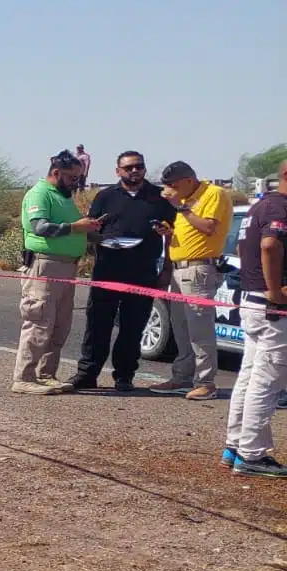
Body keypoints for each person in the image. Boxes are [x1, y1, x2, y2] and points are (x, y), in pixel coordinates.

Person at [69, 151, 176, 392]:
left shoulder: (159, 198)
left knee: (133, 325)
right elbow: (89, 230)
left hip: (143, 272)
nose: (134, 171)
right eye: (128, 168)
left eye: (138, 166)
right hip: (107, 270)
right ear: (118, 171)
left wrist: (167, 269)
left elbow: (172, 236)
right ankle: (87, 373)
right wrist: (103, 237)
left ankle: (125, 376)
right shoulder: (105, 197)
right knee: (97, 323)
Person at [13, 150, 102, 395]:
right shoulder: (40, 194)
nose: (77, 183)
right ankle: (24, 377)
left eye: (79, 178)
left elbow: (73, 230)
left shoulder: (63, 197)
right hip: (45, 266)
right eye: (73, 178)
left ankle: (46, 374)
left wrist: (92, 230)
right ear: (56, 173)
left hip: (66, 266)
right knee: (39, 321)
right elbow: (40, 227)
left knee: (59, 325)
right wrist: (76, 227)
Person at [147, 161, 233, 401]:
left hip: (199, 270)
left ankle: (206, 381)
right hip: (179, 268)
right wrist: (170, 233)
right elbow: (192, 232)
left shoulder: (213, 194)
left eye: (174, 186)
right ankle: (182, 377)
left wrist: (181, 208)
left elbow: (208, 228)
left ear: (188, 180)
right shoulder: (186, 202)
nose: (171, 191)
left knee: (199, 328)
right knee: (181, 327)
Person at [223, 160, 287, 477]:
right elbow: (270, 244)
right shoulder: (280, 209)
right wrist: (274, 290)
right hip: (271, 308)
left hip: (253, 303)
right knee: (266, 382)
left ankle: (235, 446)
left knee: (249, 378)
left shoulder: (258, 208)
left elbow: (241, 244)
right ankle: (252, 455)